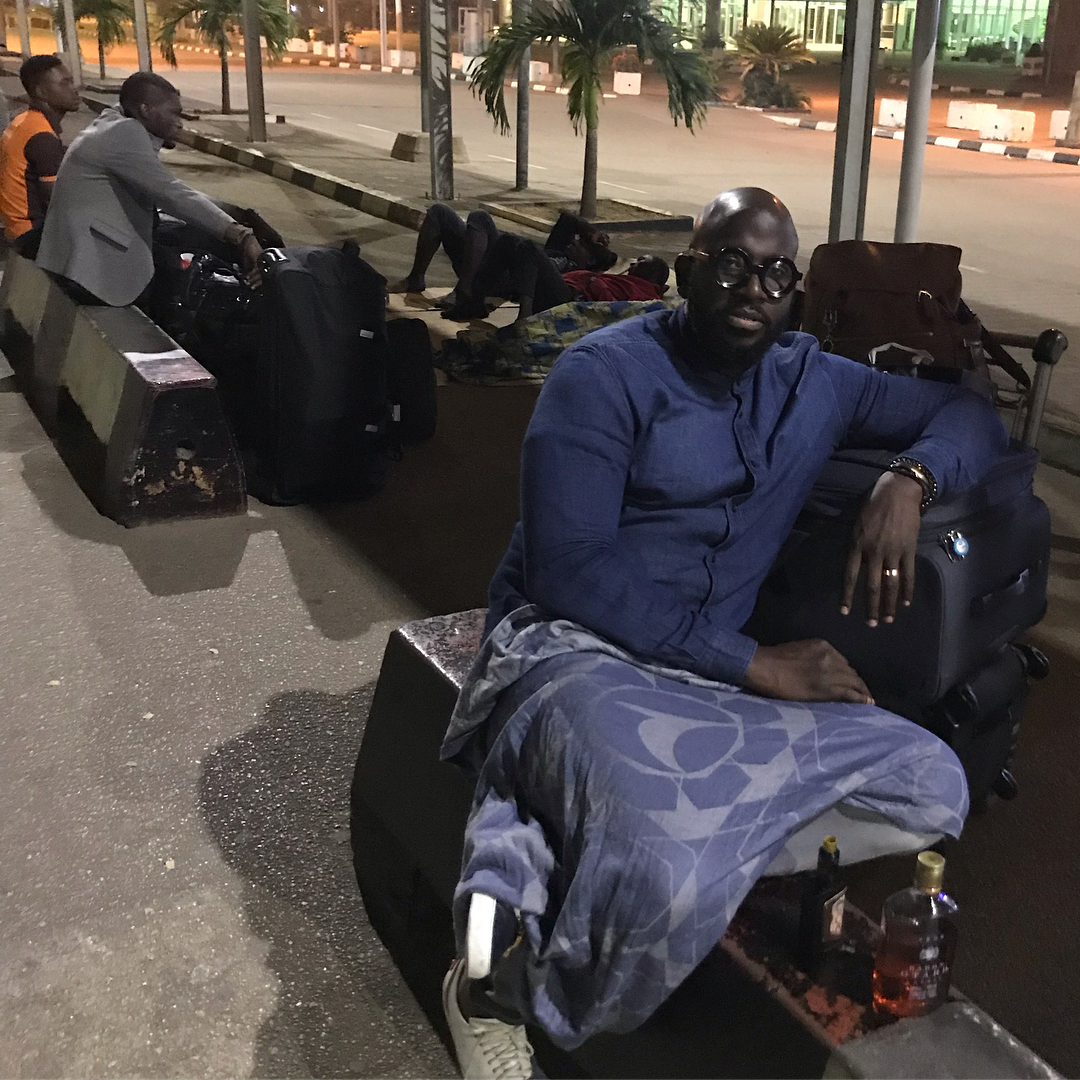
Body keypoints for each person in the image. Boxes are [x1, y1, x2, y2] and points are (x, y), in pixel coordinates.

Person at [438, 187, 1009, 1078]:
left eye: (777, 274)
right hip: (575, 651)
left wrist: (910, 480)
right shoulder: (602, 375)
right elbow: (570, 572)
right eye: (732, 263)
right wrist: (753, 664)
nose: (754, 288)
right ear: (686, 270)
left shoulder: (816, 381)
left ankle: (603, 833)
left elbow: (973, 412)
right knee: (667, 879)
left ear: (795, 294)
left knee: (930, 783)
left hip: (704, 682)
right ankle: (499, 993)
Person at [36, 71, 263, 308]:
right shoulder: (125, 133)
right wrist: (241, 235)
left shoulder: (112, 122)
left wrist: (233, 212)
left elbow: (165, 186)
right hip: (92, 270)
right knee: (194, 292)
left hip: (70, 259)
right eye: (173, 113)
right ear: (145, 110)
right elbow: (171, 193)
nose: (179, 123)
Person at [390, 204, 617, 320]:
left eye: (581, 246)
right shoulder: (558, 249)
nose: (574, 243)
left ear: (589, 260)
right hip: (484, 263)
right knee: (442, 212)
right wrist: (591, 231)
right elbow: (567, 217)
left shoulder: (572, 274)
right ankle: (417, 278)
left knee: (498, 230)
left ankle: (465, 291)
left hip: (501, 278)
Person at [0, 55, 82, 259]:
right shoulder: (42, 137)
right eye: (65, 83)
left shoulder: (24, 121)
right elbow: (60, 202)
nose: (74, 89)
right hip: (32, 235)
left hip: (15, 228)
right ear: (41, 92)